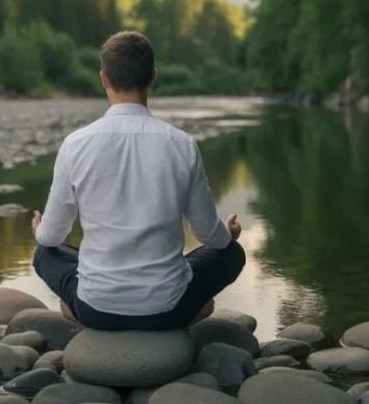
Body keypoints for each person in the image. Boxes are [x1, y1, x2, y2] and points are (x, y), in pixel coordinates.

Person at [30, 30, 246, 332]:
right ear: (153, 77)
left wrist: (40, 231)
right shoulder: (182, 144)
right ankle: (192, 311)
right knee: (232, 254)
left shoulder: (75, 144)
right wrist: (229, 234)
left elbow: (52, 237)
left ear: (104, 78)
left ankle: (74, 309)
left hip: (96, 309)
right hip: (168, 308)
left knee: (45, 254)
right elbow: (209, 234)